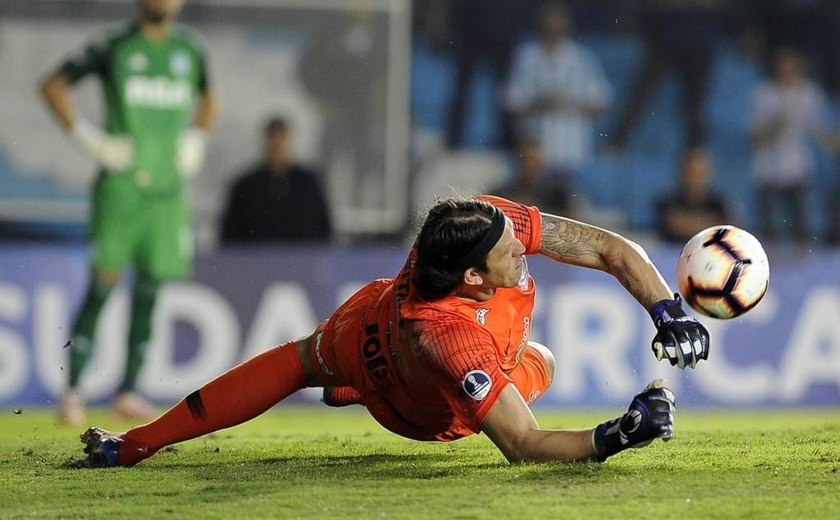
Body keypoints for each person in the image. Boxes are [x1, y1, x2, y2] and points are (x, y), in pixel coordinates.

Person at [78, 194, 709, 467]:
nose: (525, 245)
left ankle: (349, 385)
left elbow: (604, 247)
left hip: (370, 319)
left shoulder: (479, 224)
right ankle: (137, 444)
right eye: (509, 250)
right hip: (416, 402)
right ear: (471, 277)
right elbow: (523, 445)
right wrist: (616, 435)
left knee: (305, 361)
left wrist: (667, 307)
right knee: (538, 359)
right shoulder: (454, 340)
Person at [39, 0, 217, 425]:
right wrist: (88, 139)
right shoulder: (114, 45)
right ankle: (74, 390)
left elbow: (210, 97)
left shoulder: (190, 49)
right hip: (121, 189)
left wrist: (196, 139)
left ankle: (128, 390)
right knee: (103, 286)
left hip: (167, 192)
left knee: (150, 290)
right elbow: (53, 85)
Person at [505, 1, 611, 207]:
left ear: (566, 28)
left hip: (570, 146)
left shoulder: (581, 57)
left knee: (567, 203)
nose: (553, 31)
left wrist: (569, 101)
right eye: (549, 26)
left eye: (557, 26)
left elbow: (600, 99)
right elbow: (511, 99)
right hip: (535, 145)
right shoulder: (526, 56)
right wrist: (539, 101)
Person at [749, 47, 825, 247]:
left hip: (798, 166)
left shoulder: (810, 93)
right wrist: (776, 125)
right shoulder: (766, 94)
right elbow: (753, 138)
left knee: (802, 227)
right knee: (770, 230)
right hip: (769, 168)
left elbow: (816, 130)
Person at [220, 117, 332, 244]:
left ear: (289, 140)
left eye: (281, 137)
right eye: (272, 137)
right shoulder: (246, 185)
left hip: (300, 259)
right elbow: (230, 232)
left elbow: (322, 228)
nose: (277, 143)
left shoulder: (308, 183)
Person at [655, 146, 732, 244]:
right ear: (681, 172)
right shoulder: (667, 201)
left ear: (709, 172)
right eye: (691, 172)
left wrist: (685, 222)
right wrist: (709, 224)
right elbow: (672, 226)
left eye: (699, 172)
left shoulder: (721, 203)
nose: (695, 177)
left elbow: (729, 232)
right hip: (672, 254)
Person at [492, 138, 570, 216]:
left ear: (541, 161)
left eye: (532, 159)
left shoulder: (556, 194)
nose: (528, 164)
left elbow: (570, 220)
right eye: (525, 159)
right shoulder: (503, 193)